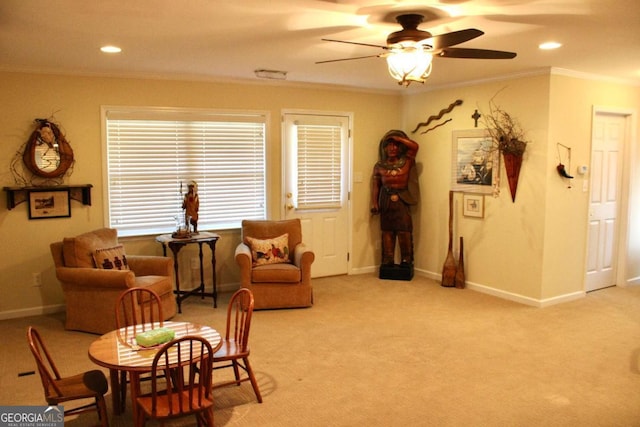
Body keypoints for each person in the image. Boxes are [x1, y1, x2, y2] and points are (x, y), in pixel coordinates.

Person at [371, 130, 419, 267]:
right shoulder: (379, 166)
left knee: (404, 230)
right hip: (386, 199)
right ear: (384, 148)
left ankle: (406, 259)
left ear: (400, 147)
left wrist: (399, 138)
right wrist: (374, 202)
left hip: (402, 199)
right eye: (389, 145)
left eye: (395, 145)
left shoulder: (407, 162)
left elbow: (415, 146)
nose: (392, 148)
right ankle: (388, 259)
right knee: (387, 231)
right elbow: (376, 186)